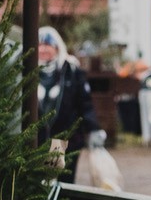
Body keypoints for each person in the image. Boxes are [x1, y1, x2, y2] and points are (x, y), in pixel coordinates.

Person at [36, 25, 106, 183]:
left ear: (57, 47)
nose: (43, 49)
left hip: (61, 141)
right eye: (39, 45)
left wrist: (93, 129)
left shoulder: (71, 71)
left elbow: (85, 103)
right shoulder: (27, 70)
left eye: (47, 45)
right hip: (35, 141)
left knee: (58, 185)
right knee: (37, 185)